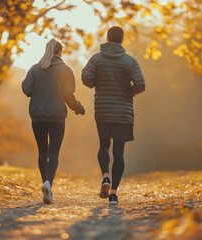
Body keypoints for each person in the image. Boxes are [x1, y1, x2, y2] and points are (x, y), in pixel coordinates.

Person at [81, 26, 145, 205]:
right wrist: (129, 93)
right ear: (122, 40)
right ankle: (114, 194)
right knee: (119, 152)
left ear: (107, 39)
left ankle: (105, 177)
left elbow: (86, 78)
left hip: (102, 109)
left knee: (103, 145)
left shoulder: (96, 59)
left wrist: (96, 82)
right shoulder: (130, 61)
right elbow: (140, 84)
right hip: (124, 112)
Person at [22, 39, 85, 204]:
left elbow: (26, 89)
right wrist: (78, 108)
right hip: (57, 117)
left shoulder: (36, 69)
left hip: (37, 117)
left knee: (42, 151)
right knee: (53, 152)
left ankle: (45, 186)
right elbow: (67, 95)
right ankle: (49, 183)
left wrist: (31, 73)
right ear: (60, 52)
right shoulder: (65, 70)